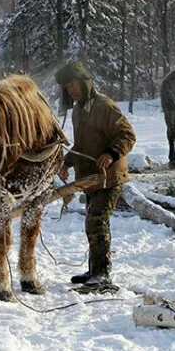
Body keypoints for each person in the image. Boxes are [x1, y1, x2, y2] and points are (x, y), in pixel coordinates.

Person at [55, 62, 136, 290]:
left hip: (109, 176)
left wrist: (111, 153)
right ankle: (95, 269)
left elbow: (127, 135)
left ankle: (102, 274)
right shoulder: (78, 110)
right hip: (91, 178)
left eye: (74, 85)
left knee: (97, 221)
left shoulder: (104, 106)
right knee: (92, 223)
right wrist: (67, 162)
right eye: (67, 87)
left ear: (84, 83)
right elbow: (82, 145)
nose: (71, 90)